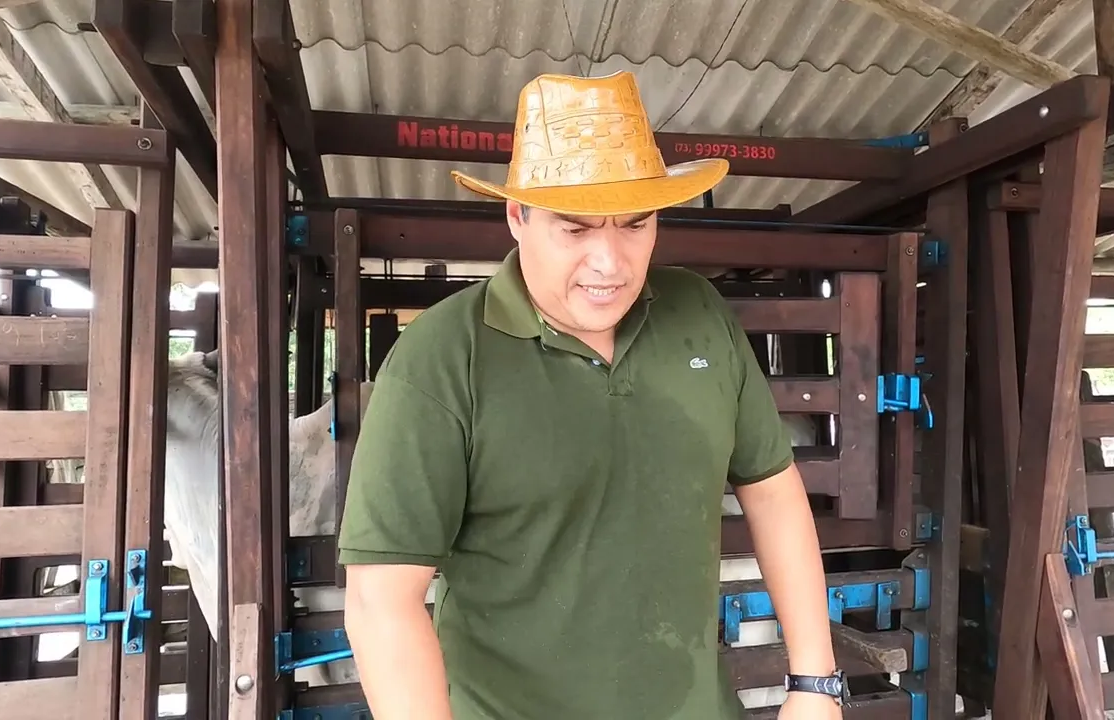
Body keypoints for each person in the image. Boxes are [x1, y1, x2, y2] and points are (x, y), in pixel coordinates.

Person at [337, 70, 844, 720]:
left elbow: (772, 491)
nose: (611, 262)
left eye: (635, 224)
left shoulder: (698, 315)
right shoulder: (439, 360)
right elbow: (381, 601)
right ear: (517, 216)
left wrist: (815, 683)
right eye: (575, 229)